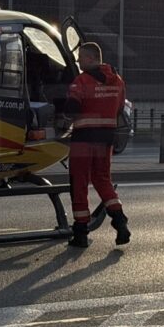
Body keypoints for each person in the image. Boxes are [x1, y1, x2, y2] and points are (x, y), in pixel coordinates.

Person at [64, 42, 131, 248]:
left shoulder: (81, 81)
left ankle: (81, 234)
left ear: (91, 58)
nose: (78, 61)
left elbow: (72, 109)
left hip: (84, 140)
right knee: (103, 180)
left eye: (81, 58)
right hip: (106, 139)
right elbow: (120, 107)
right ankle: (120, 223)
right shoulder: (118, 81)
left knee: (79, 184)